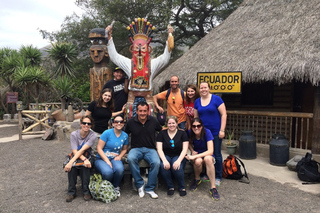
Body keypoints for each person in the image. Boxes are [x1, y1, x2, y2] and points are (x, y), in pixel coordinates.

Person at [105, 19, 174, 117]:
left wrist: (169, 38)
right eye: (137, 49)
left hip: (148, 97)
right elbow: (114, 56)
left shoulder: (153, 64)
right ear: (132, 49)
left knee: (149, 119)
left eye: (143, 49)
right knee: (130, 119)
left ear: (148, 49)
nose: (140, 52)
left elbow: (165, 58)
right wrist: (109, 38)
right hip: (132, 97)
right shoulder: (128, 63)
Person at [125, 102, 162, 199]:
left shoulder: (153, 120)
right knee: (131, 158)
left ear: (148, 111)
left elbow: (161, 131)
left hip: (150, 149)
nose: (142, 113)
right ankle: (139, 184)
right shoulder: (131, 122)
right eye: (140, 111)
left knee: (156, 162)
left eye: (145, 111)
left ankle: (150, 188)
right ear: (136, 111)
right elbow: (125, 135)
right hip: (136, 148)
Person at [193, 82, 227, 187]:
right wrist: (196, 130)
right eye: (201, 88)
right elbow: (196, 118)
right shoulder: (197, 101)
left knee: (216, 153)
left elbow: (224, 114)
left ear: (209, 88)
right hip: (203, 132)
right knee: (205, 153)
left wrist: (222, 130)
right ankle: (206, 174)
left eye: (205, 88)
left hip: (215, 131)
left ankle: (218, 176)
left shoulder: (217, 99)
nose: (203, 90)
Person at [64, 115, 97, 202]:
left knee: (85, 166)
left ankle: (86, 191)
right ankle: (71, 192)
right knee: (73, 167)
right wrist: (72, 162)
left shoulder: (93, 135)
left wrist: (84, 160)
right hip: (76, 155)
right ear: (81, 124)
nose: (86, 125)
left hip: (88, 154)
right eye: (84, 123)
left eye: (88, 124)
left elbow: (82, 149)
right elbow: (75, 151)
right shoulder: (74, 134)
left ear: (91, 125)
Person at [186, 117, 220, 201]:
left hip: (207, 154)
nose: (196, 128)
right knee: (198, 161)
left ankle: (213, 187)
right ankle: (197, 179)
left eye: (198, 126)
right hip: (198, 155)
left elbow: (210, 151)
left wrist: (194, 156)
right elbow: (188, 143)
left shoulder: (207, 132)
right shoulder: (190, 132)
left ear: (202, 126)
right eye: (194, 126)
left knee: (208, 159)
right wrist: (192, 150)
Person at [94, 114, 128, 197]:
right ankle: (107, 186)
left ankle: (115, 186)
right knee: (108, 172)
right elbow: (99, 148)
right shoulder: (107, 133)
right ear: (113, 124)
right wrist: (107, 161)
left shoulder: (125, 135)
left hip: (115, 158)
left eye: (121, 121)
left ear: (123, 123)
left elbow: (124, 149)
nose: (119, 123)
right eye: (116, 121)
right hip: (101, 158)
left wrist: (120, 156)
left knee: (120, 169)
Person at [156, 115, 189, 196]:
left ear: (177, 123)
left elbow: (185, 149)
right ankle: (170, 187)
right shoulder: (162, 133)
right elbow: (159, 149)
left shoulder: (182, 133)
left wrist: (178, 161)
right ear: (166, 124)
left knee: (177, 167)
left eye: (173, 123)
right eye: (169, 123)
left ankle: (182, 187)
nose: (171, 125)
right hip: (166, 155)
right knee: (163, 166)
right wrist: (164, 160)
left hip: (179, 155)